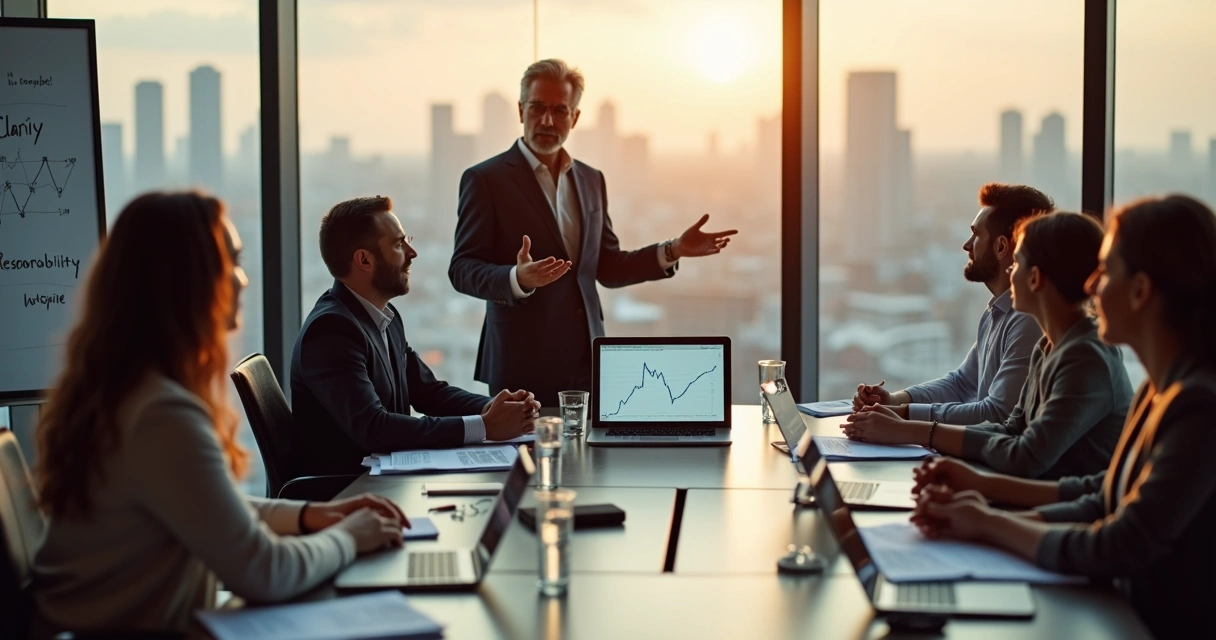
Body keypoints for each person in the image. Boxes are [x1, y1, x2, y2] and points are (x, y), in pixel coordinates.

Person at [30, 192, 408, 637]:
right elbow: (263, 571)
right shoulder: (160, 415)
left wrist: (311, 517)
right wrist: (350, 536)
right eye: (231, 261)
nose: (243, 280)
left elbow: (204, 507)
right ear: (185, 283)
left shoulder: (128, 392)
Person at [909, 195, 1216, 640]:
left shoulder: (1198, 408)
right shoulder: (1160, 389)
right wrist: (980, 509)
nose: (1090, 286)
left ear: (1140, 290)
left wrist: (991, 523)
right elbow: (1104, 495)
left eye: (1106, 270)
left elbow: (1119, 542)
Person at [448, 59, 738, 406]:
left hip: (586, 360)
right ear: (521, 109)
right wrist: (516, 278)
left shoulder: (590, 179)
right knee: (525, 460)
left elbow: (608, 268)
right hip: (520, 365)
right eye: (538, 108)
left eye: (560, 110)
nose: (547, 121)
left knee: (590, 459)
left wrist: (672, 249)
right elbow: (462, 268)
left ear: (575, 117)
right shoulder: (486, 180)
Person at [843, 211, 1132, 479]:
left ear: (1034, 278)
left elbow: (1027, 455)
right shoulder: (1048, 345)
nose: (1010, 272)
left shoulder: (1084, 356)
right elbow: (1009, 429)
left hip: (1062, 511)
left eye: (1017, 263)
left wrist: (907, 429)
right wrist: (901, 421)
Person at [291, 196, 540, 476]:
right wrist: (484, 427)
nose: (412, 252)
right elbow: (374, 428)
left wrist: (495, 408)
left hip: (383, 482)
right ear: (364, 260)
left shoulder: (385, 316)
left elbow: (428, 391)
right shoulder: (331, 331)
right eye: (399, 244)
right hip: (347, 492)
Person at [852, 183, 1051, 424]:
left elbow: (997, 414)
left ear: (1000, 247)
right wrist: (893, 400)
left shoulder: (1027, 320)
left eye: (976, 235)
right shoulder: (996, 312)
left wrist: (902, 417)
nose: (967, 245)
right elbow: (962, 383)